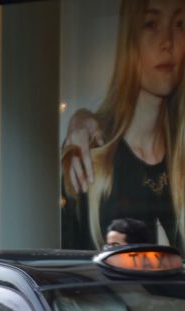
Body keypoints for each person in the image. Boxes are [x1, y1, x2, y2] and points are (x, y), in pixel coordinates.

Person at [60, 0, 185, 250]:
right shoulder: (92, 156)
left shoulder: (179, 158)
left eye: (180, 24)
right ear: (130, 37)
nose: (167, 42)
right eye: (151, 24)